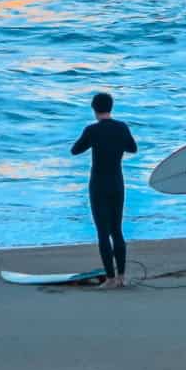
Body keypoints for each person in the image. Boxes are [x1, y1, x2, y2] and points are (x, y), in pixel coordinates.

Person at [70, 91, 136, 288]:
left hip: (99, 184)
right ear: (111, 107)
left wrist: (92, 140)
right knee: (117, 230)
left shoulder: (92, 130)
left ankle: (110, 278)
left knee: (102, 232)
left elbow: (75, 150)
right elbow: (133, 148)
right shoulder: (122, 127)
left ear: (94, 109)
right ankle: (122, 277)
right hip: (117, 182)